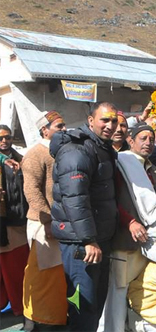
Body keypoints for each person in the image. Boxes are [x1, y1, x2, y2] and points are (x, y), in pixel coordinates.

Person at [97, 123, 156, 332]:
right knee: (118, 289)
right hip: (125, 237)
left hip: (148, 237)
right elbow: (112, 200)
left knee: (138, 286)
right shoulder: (122, 163)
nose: (148, 143)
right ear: (131, 141)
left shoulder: (151, 168)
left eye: (150, 138)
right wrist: (129, 221)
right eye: (143, 138)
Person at [50, 102, 119, 331]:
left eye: (114, 121)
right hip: (81, 244)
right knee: (82, 307)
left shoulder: (101, 147)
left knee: (94, 307)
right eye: (104, 120)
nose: (110, 125)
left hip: (98, 240)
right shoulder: (77, 150)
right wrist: (88, 239)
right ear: (91, 121)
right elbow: (75, 197)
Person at [21, 111, 68, 330]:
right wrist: (47, 221)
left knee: (58, 276)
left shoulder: (61, 151)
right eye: (59, 126)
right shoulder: (35, 154)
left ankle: (56, 317)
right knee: (43, 276)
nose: (64, 129)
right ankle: (39, 320)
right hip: (43, 225)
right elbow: (31, 191)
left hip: (61, 223)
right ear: (44, 130)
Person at [0, 124, 28, 320]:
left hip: (18, 222)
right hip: (3, 223)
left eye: (7, 137)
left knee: (17, 269)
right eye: (0, 138)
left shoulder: (21, 160)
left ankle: (20, 307)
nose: (4, 141)